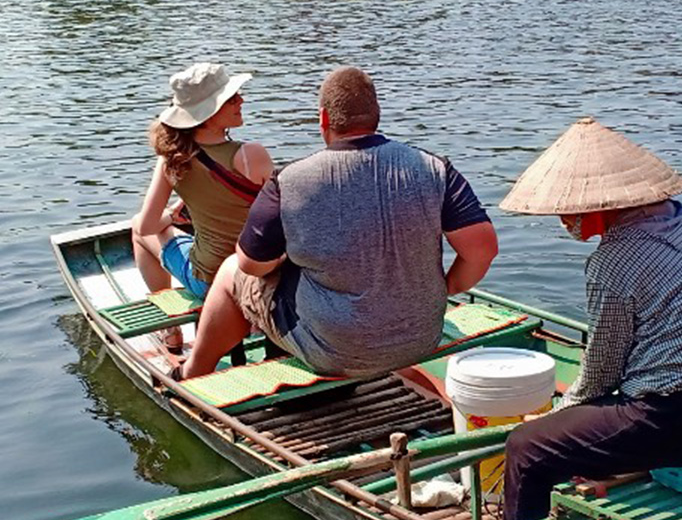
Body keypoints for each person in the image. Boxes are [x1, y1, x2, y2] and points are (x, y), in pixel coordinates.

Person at [495, 118, 682, 520]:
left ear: (603, 205)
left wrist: (556, 416)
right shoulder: (680, 222)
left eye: (574, 209)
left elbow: (600, 374)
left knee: (528, 448)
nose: (567, 219)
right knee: (601, 429)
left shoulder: (613, 261)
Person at [179, 67, 499, 380]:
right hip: (423, 338)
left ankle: (194, 371)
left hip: (333, 352)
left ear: (323, 119)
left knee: (230, 270)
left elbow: (252, 265)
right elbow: (482, 249)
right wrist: (447, 288)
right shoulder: (435, 169)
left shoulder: (290, 181)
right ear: (376, 115)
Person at [133, 64, 275, 352]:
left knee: (137, 231)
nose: (241, 101)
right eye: (232, 98)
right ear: (209, 113)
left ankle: (170, 330)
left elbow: (146, 227)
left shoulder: (172, 161)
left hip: (208, 282)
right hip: (258, 277)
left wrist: (170, 217)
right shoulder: (252, 156)